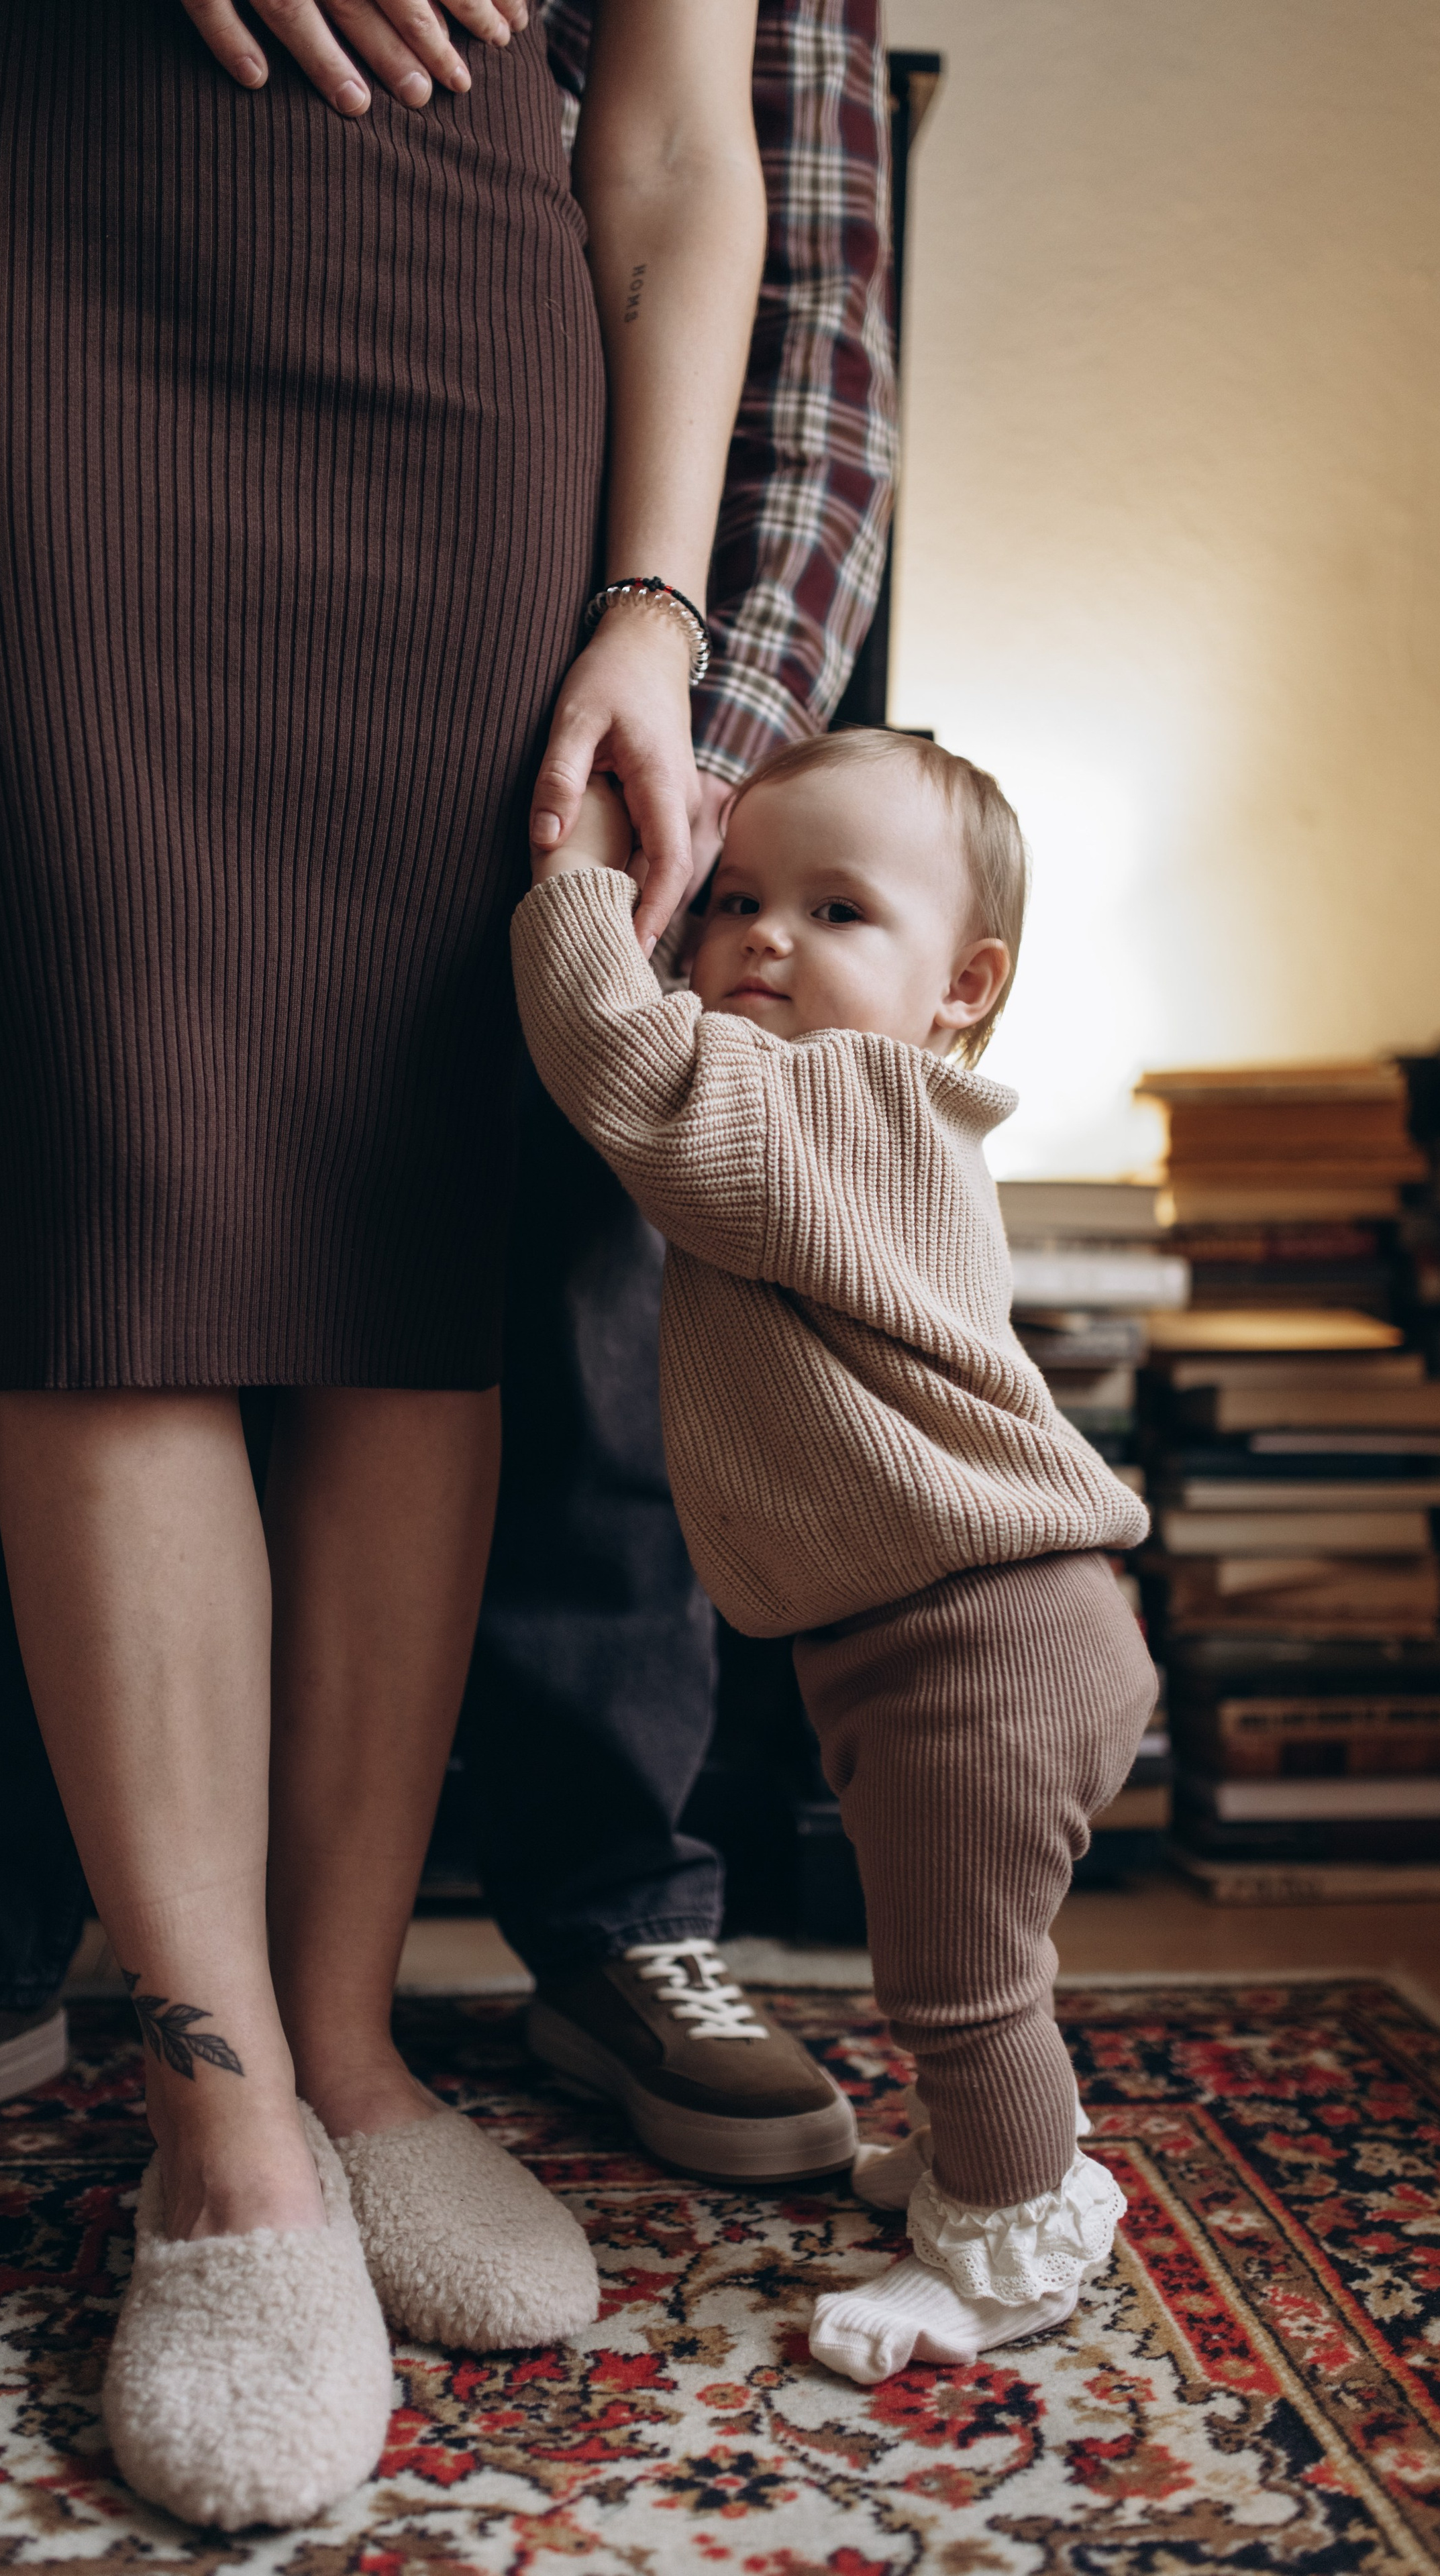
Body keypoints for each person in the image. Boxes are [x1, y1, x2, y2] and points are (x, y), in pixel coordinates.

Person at [0, 0, 894, 2208]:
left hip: (458, 338)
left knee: (419, 1234)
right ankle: (223, 2134)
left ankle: (347, 2061)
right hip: (40, 256)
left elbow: (688, 141)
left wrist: (660, 617)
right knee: (105, 1216)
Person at [509, 735, 1158, 2388]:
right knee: (960, 1947)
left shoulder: (846, 1100)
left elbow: (624, 1066)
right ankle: (997, 2160)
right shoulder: (846, 1106)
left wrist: (585, 876)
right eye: (731, 899)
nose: (762, 938)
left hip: (981, 1634)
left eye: (837, 908)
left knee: (960, 1983)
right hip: (948, 1623)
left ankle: (1008, 2242)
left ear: (962, 985)